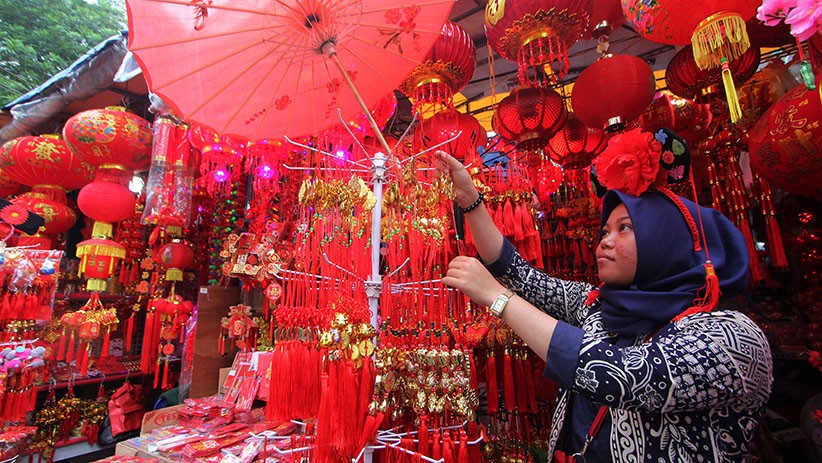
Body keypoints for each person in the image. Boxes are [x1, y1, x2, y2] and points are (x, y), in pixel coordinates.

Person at [438, 143, 774, 462]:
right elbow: (518, 273)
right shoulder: (601, 308)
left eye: (624, 229)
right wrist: (471, 201)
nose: (604, 242)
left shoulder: (733, 337)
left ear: (667, 240)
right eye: (604, 232)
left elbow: (623, 375)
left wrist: (499, 300)